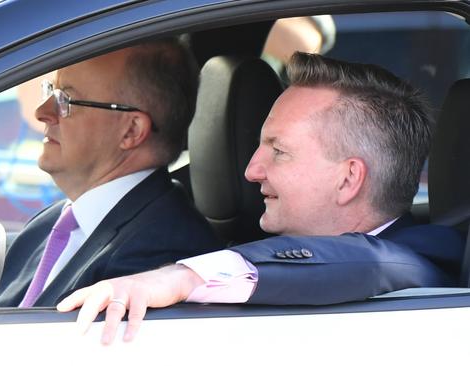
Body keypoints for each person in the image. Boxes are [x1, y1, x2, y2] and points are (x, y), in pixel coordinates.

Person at [56, 52, 465, 344]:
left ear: (348, 180)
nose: (251, 170)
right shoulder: (241, 246)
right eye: (257, 147)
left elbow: (369, 262)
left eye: (279, 151)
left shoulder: (421, 264)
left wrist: (181, 277)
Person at [0, 38, 223, 307]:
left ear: (131, 131)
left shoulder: (155, 256)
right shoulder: (57, 219)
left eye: (67, 100)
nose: (43, 112)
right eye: (51, 91)